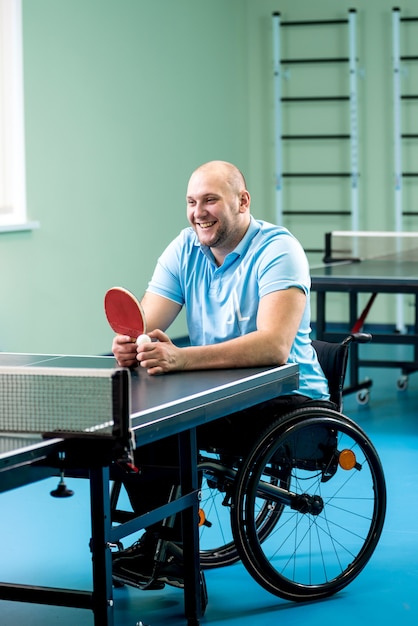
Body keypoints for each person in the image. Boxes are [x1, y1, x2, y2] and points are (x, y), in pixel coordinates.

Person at [111, 160, 331, 590]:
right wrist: (132, 344)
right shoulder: (184, 247)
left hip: (288, 396)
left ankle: (173, 545)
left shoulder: (279, 251)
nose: (199, 212)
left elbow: (273, 347)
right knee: (134, 422)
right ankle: (165, 539)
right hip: (216, 388)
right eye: (192, 202)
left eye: (210, 199)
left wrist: (181, 358)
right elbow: (145, 322)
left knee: (174, 428)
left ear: (242, 201)